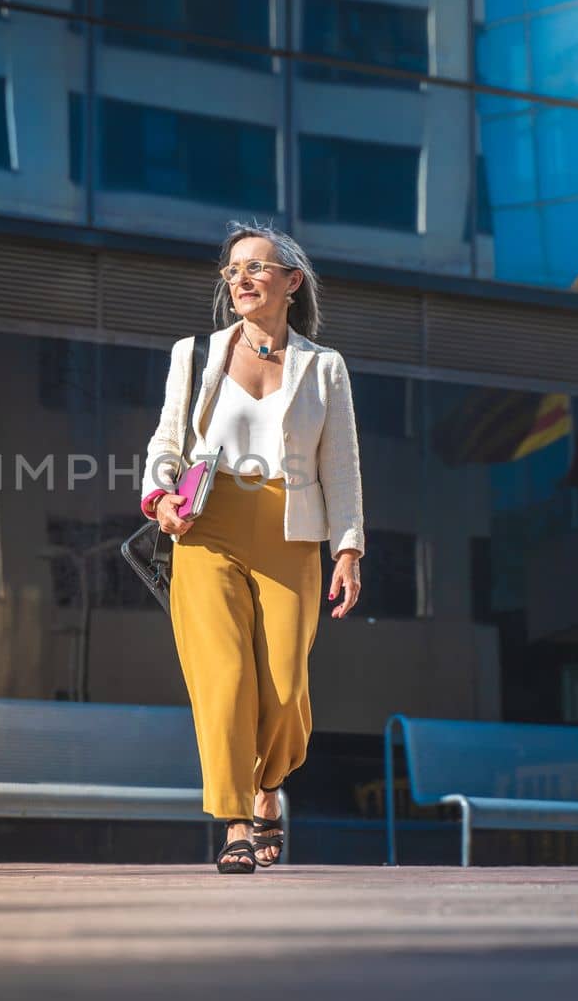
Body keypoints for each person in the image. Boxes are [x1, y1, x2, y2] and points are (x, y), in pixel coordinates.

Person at [140, 221, 365, 874]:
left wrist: (348, 548)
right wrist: (163, 499)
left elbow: (342, 465)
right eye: (232, 270)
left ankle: (268, 792)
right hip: (207, 526)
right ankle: (236, 820)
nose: (241, 279)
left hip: (291, 527)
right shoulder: (196, 356)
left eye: (256, 268)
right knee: (225, 678)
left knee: (286, 686)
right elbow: (166, 445)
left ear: (291, 281)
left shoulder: (324, 368)